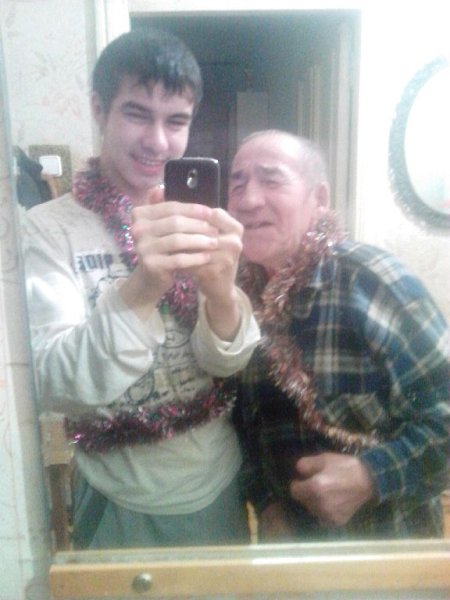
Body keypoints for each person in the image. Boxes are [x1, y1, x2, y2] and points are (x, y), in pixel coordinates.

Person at [21, 29, 260, 549]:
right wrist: (144, 287)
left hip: (216, 482)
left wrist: (222, 294)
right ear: (99, 109)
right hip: (114, 494)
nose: (157, 141)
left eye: (176, 121)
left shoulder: (205, 220)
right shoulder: (47, 230)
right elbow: (55, 384)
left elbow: (228, 365)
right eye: (137, 113)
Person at [228, 129, 450, 541]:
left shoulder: (374, 282)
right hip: (286, 558)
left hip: (389, 556)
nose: (248, 199)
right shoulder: (230, 301)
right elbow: (237, 427)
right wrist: (267, 504)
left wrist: (371, 475)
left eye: (271, 179)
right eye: (237, 183)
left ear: (319, 199)